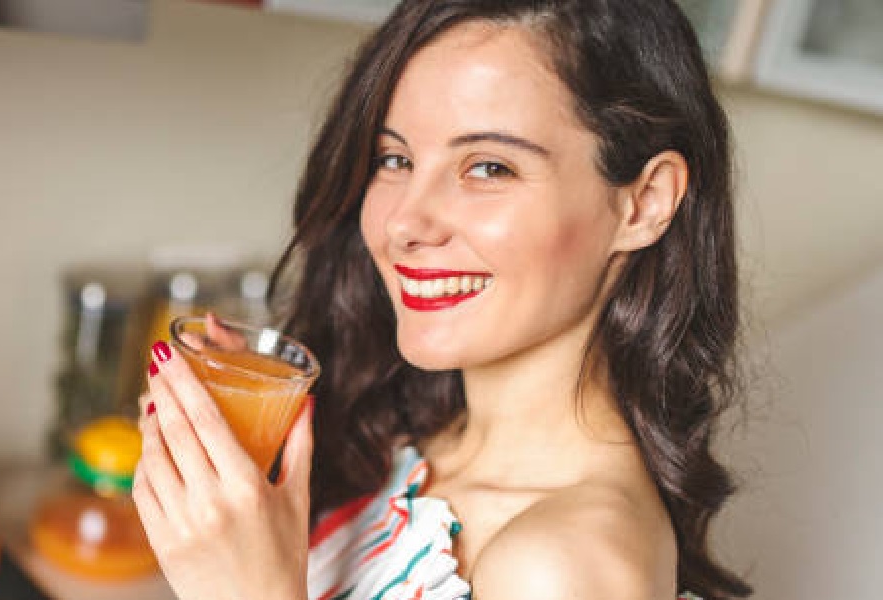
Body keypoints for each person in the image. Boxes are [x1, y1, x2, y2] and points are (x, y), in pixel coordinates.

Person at [132, 1, 753, 599]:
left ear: (643, 203)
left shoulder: (564, 567)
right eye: (394, 158)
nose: (405, 220)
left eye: (488, 168)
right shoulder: (413, 447)